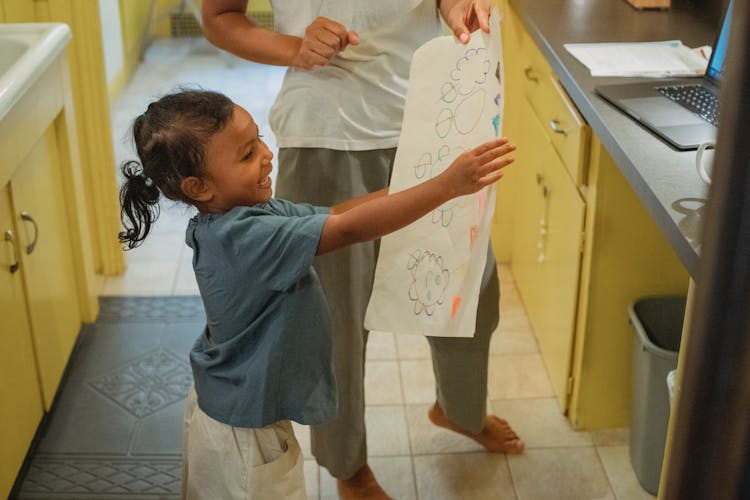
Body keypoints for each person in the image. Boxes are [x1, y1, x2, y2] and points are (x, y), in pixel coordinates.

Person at [117, 89, 516, 500]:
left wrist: (418, 182)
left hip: (239, 404)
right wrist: (446, 187)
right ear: (198, 187)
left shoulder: (248, 212)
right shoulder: (245, 236)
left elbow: (339, 214)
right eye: (247, 154)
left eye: (258, 141)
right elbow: (349, 231)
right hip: (242, 429)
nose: (267, 156)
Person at [201, 2, 525, 498]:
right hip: (327, 131)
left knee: (470, 292)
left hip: (434, 114)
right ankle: (346, 464)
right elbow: (220, 16)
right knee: (335, 321)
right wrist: (295, 47)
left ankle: (460, 410)